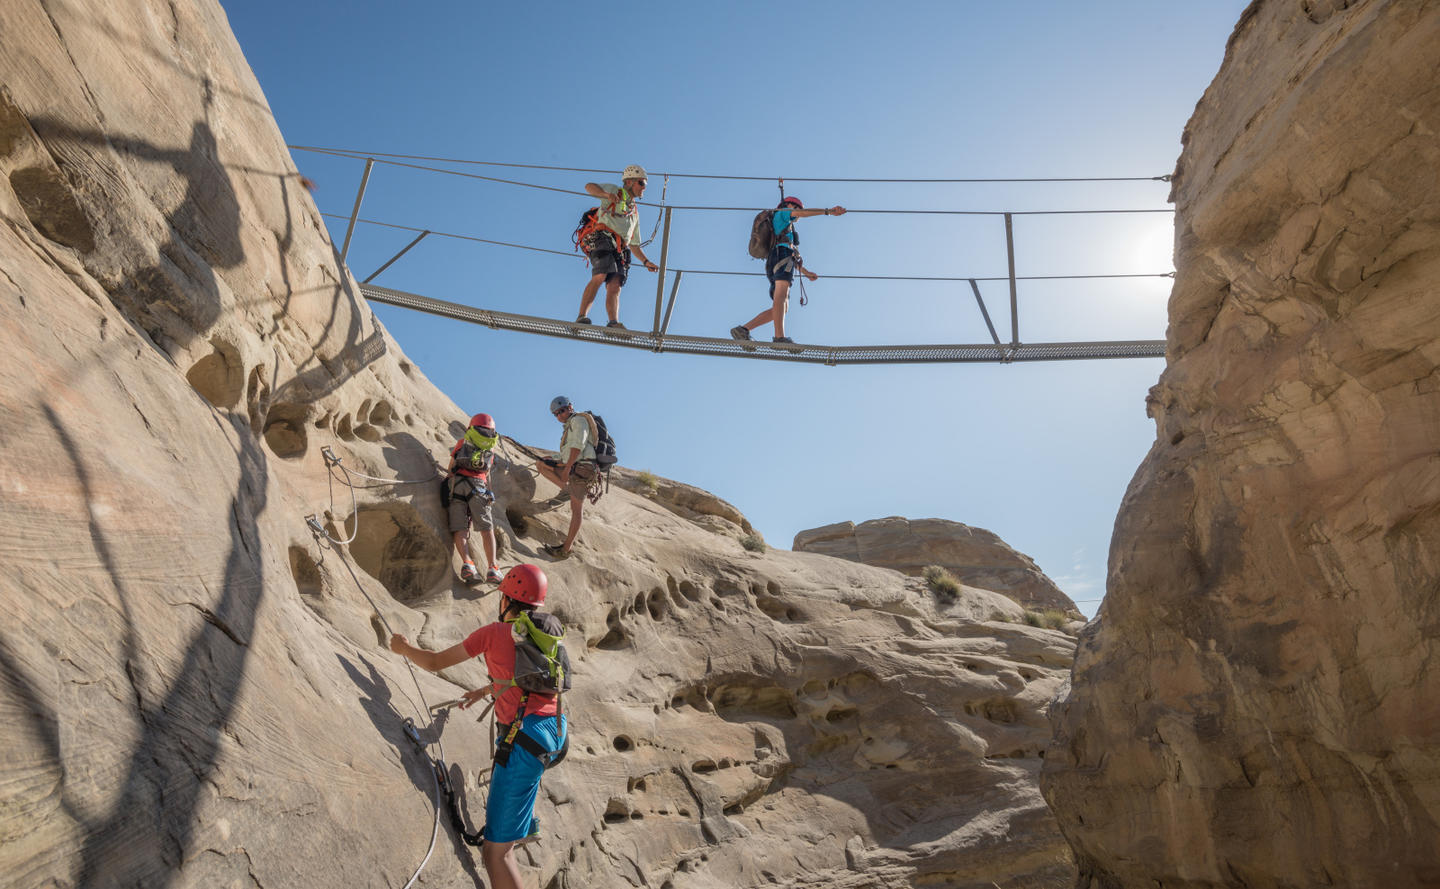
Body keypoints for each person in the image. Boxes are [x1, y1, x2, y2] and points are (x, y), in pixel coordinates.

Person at [389, 564, 565, 889]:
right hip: (554, 731)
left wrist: (403, 648)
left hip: (524, 742)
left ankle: (515, 831)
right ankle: (524, 823)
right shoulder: (542, 633)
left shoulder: (494, 634)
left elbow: (434, 662)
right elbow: (527, 679)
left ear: (507, 601)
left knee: (496, 855)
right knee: (521, 782)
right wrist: (486, 690)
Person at [730, 196, 847, 344]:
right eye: (798, 209)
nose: (800, 213)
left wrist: (805, 272)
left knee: (782, 308)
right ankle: (779, 337)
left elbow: (791, 254)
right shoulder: (784, 212)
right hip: (781, 257)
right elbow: (800, 220)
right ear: (791, 205)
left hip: (779, 258)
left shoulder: (785, 227)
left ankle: (744, 330)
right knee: (782, 296)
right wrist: (828, 211)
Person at [575, 165, 660, 329]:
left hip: (620, 248)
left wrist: (645, 261)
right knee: (601, 274)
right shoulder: (615, 191)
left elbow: (634, 243)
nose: (644, 188)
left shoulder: (634, 212)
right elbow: (589, 187)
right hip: (602, 238)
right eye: (641, 183)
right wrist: (606, 195)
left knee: (615, 284)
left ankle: (613, 323)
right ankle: (581, 316)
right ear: (629, 182)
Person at [532, 396, 596, 560]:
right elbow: (569, 451)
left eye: (561, 411)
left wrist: (566, 469)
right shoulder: (570, 425)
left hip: (582, 468)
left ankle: (566, 549)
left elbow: (577, 445)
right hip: (578, 466)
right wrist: (553, 459)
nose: (559, 415)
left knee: (576, 510)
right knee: (541, 464)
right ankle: (567, 490)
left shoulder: (578, 421)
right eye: (556, 414)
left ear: (570, 407)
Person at [446, 413, 503, 583]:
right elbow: (486, 473)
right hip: (478, 487)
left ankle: (468, 563)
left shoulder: (462, 443)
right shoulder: (490, 449)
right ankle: (493, 567)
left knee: (460, 528)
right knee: (486, 528)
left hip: (457, 486)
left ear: (472, 427)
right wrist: (489, 492)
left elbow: (451, 468)